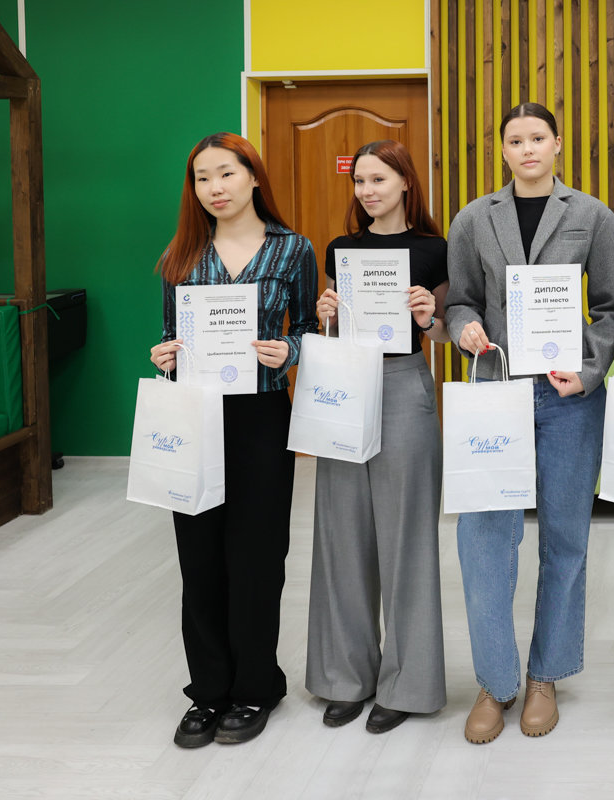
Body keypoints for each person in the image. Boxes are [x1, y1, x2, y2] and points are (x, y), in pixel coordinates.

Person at [445, 102, 614, 744]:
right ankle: (495, 681)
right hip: (495, 394)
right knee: (483, 539)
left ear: (557, 144)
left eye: (537, 138)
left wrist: (589, 369)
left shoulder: (593, 216)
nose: (527, 149)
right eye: (515, 140)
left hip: (567, 397)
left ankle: (545, 674)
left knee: (565, 538)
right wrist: (464, 329)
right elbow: (459, 299)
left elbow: (613, 309)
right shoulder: (474, 218)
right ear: (502, 150)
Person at [149, 132, 319, 747]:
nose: (214, 188)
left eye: (225, 173)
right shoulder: (181, 255)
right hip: (195, 416)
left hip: (262, 417)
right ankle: (208, 691)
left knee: (257, 557)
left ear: (252, 176)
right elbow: (169, 334)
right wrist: (163, 354)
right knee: (198, 557)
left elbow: (308, 326)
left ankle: (255, 687)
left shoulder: (293, 249)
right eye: (202, 178)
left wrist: (289, 349)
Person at [305, 139, 449, 734]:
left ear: (405, 182)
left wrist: (428, 316)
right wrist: (326, 314)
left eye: (379, 180)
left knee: (407, 536)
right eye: (359, 181)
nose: (367, 191)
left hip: (404, 385)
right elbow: (332, 329)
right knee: (341, 533)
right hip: (346, 382)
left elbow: (445, 331)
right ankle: (345, 677)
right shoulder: (341, 250)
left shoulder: (435, 250)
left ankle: (407, 684)